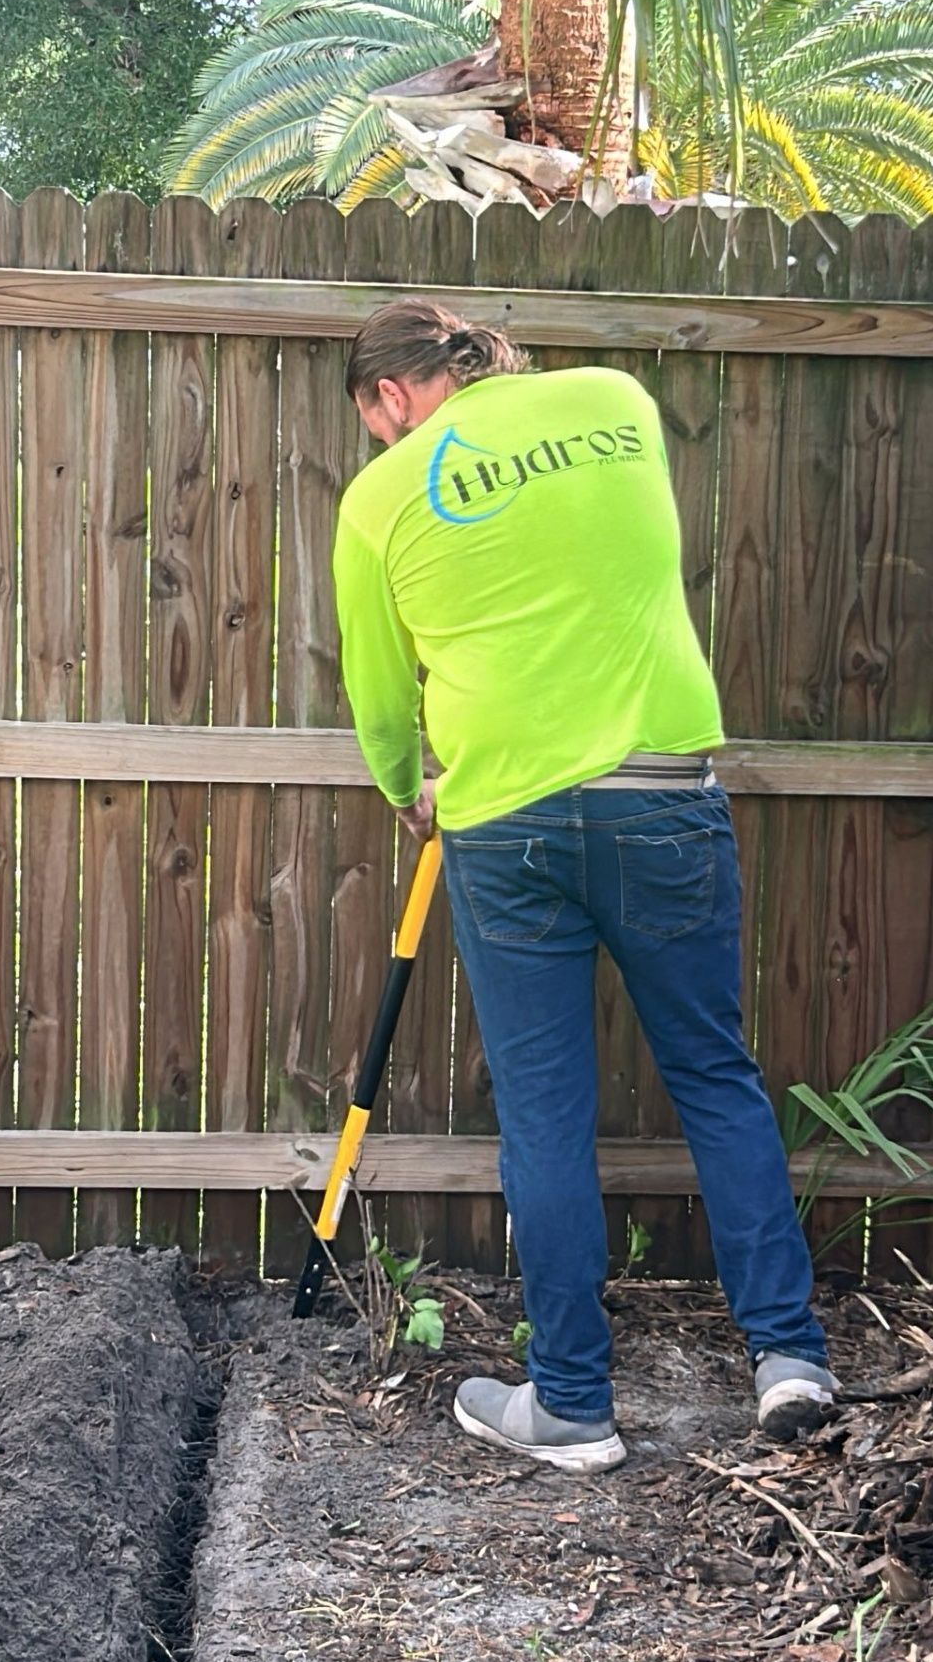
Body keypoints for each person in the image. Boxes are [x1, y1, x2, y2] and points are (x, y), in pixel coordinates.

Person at [334, 298, 837, 1476]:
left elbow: (375, 689)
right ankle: (791, 1361)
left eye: (377, 426)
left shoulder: (378, 498)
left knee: (543, 1115)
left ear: (390, 398)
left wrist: (409, 786)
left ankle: (571, 1405)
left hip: (503, 820)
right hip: (661, 794)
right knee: (715, 1075)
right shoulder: (617, 406)